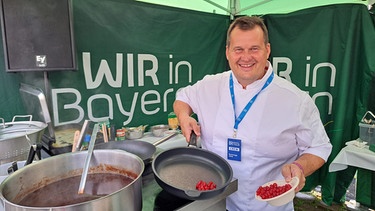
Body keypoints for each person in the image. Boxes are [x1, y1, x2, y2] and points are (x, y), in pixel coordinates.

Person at [173, 16, 332, 211]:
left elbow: (319, 147)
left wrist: (299, 168)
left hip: (269, 206)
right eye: (238, 49)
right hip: (214, 203)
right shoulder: (210, 85)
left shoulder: (295, 100)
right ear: (228, 52)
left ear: (267, 50)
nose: (246, 57)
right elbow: (183, 97)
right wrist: (184, 117)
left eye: (254, 49)